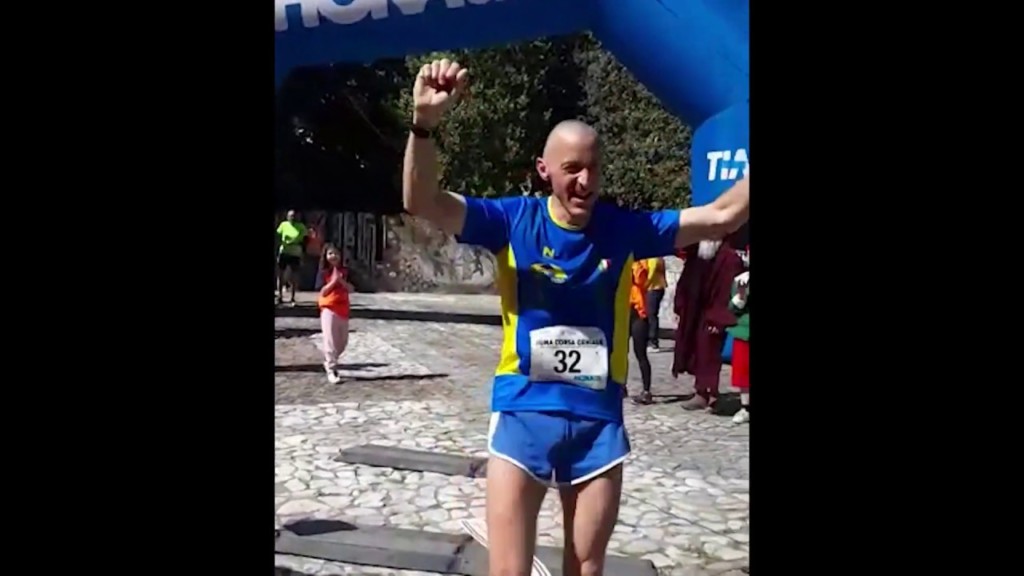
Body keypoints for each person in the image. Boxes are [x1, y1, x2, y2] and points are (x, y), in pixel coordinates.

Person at [401, 58, 749, 576]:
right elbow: (421, 200)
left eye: (594, 168)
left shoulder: (624, 228)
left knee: (586, 568)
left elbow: (722, 215)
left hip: (597, 422)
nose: (585, 181)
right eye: (572, 169)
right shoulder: (511, 220)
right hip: (522, 413)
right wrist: (424, 125)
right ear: (544, 170)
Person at [671, 237, 744, 412]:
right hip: (694, 313)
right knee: (696, 352)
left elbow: (728, 291)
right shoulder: (697, 257)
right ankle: (702, 391)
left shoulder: (729, 259)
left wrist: (719, 319)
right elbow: (685, 282)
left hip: (713, 315)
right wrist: (680, 308)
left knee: (709, 355)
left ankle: (708, 394)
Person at [317, 243, 353, 384]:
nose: (333, 256)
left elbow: (351, 289)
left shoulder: (346, 271)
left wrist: (341, 281)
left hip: (343, 309)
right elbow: (322, 291)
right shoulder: (323, 272)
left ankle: (331, 360)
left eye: (336, 253)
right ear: (325, 256)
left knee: (342, 342)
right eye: (330, 253)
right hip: (328, 308)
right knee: (330, 340)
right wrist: (333, 282)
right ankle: (331, 368)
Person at [727, 248, 750, 424]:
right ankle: (745, 408)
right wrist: (740, 296)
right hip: (744, 332)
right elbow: (733, 308)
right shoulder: (741, 280)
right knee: (743, 372)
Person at [629, 259, 655, 405]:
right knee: (620, 353)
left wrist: (633, 264)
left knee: (640, 353)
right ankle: (620, 386)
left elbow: (641, 279)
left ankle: (646, 391)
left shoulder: (642, 262)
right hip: (622, 310)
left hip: (638, 313)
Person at [276, 210, 308, 306]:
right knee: (280, 275)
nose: (292, 218)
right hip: (284, 252)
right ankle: (280, 296)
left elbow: (305, 239)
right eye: (290, 216)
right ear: (287, 217)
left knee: (294, 276)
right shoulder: (283, 225)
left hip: (295, 253)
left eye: (294, 216)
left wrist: (303, 252)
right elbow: (278, 236)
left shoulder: (301, 227)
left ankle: (293, 297)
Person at [645, 256, 667, 350]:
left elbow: (651, 273)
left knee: (651, 315)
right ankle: (651, 340)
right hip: (658, 287)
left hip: (653, 288)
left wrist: (644, 285)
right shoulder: (660, 258)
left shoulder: (653, 258)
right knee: (652, 314)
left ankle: (653, 341)